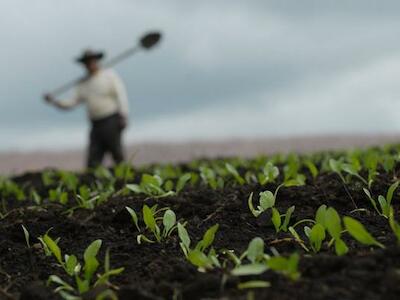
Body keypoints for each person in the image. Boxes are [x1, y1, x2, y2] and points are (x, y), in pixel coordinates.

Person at [44, 49, 129, 168]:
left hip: (111, 120)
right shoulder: (82, 83)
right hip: (96, 124)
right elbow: (72, 103)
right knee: (93, 159)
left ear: (97, 62)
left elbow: (121, 95)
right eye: (87, 63)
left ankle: (126, 180)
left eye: (92, 62)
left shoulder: (109, 76)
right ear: (84, 65)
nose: (90, 65)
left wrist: (124, 115)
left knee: (117, 153)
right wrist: (54, 102)